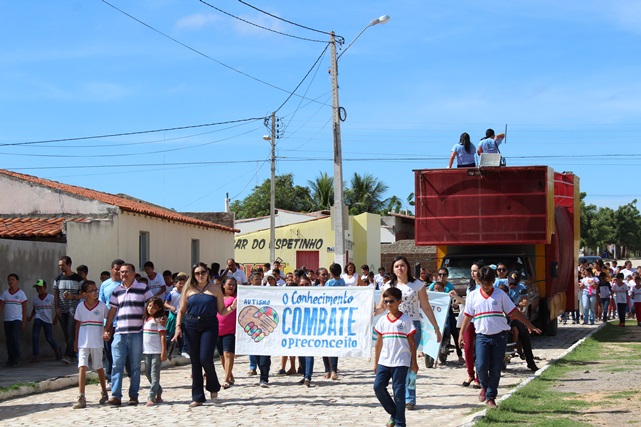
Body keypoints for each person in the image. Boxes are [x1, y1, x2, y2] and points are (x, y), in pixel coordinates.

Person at [458, 266, 540, 408]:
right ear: (479, 282)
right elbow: (467, 316)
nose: (486, 287)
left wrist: (529, 325)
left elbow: (514, 312)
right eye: (483, 284)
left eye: (489, 284)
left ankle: (491, 396)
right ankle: (484, 386)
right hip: (482, 336)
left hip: (499, 336)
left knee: (495, 369)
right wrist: (461, 334)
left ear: (493, 281)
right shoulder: (473, 296)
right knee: (482, 366)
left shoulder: (500, 295)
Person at [375, 256, 442, 410]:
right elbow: (382, 307)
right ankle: (399, 394)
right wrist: (373, 311)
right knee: (396, 362)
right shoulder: (387, 286)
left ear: (408, 267)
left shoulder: (417, 285)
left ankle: (410, 398)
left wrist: (435, 327)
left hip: (412, 326)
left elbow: (425, 307)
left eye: (402, 265)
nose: (400, 268)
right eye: (397, 266)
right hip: (393, 328)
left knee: (410, 363)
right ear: (393, 269)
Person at [173, 262, 237, 407]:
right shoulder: (188, 290)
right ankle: (197, 396)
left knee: (205, 358)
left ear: (207, 273)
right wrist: (178, 327)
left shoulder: (215, 289)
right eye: (197, 273)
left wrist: (232, 307)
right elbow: (182, 310)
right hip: (191, 325)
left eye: (203, 272)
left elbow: (221, 310)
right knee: (195, 362)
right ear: (193, 275)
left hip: (209, 325)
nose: (200, 275)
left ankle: (213, 386)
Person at [103, 263, 155, 406]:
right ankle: (116, 395)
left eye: (126, 272)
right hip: (119, 332)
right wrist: (107, 328)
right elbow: (112, 311)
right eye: (121, 272)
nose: (123, 274)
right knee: (116, 365)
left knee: (135, 366)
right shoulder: (116, 290)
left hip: (137, 332)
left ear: (133, 273)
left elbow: (152, 304)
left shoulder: (143, 288)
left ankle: (133, 395)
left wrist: (146, 318)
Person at [373, 286, 418, 427]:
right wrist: (376, 362)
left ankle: (400, 422)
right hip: (384, 361)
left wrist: (414, 363)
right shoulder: (382, 321)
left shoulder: (405, 320)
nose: (388, 304)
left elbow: (412, 343)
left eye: (391, 301)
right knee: (378, 387)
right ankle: (394, 412)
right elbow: (378, 343)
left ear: (399, 301)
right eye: (385, 301)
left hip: (401, 362)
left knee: (399, 393)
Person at [73, 281, 109, 409]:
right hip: (83, 341)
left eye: (96, 290)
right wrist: (76, 342)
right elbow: (77, 325)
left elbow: (109, 319)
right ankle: (81, 396)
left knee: (98, 366)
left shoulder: (102, 306)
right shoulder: (80, 307)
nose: (95, 293)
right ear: (84, 294)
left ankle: (104, 392)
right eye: (91, 291)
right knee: (82, 366)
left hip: (97, 341)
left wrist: (106, 331)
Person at [98, 258, 124, 387]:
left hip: (123, 323)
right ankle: (110, 378)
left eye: (121, 270)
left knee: (122, 351)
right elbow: (101, 302)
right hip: (108, 322)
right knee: (108, 351)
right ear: (111, 270)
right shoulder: (105, 285)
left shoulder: (127, 285)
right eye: (117, 270)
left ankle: (124, 374)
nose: (119, 272)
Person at [53, 256, 84, 364]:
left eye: (63, 265)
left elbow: (83, 294)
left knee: (71, 332)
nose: (61, 267)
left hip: (73, 309)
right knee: (66, 333)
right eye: (60, 265)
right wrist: (56, 307)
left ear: (69, 265)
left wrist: (73, 297)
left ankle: (67, 355)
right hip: (62, 309)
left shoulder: (78, 279)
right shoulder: (58, 279)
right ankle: (72, 354)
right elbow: (56, 293)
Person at [28, 279, 61, 362]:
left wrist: (56, 318)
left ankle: (57, 349)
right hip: (38, 318)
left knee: (49, 338)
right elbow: (34, 309)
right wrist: (31, 317)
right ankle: (35, 355)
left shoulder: (51, 297)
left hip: (47, 320)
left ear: (45, 287)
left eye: (40, 288)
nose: (39, 290)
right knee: (35, 336)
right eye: (37, 288)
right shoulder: (35, 298)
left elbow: (57, 308)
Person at [142, 297, 167, 406]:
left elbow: (162, 336)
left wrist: (163, 351)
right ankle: (159, 390)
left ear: (159, 308)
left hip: (156, 351)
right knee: (148, 373)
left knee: (154, 374)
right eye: (150, 306)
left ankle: (151, 396)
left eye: (154, 307)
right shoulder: (145, 319)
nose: (151, 309)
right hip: (146, 351)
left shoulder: (158, 320)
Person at [323, 263, 345, 379]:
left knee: (326, 345)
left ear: (330, 273)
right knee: (333, 344)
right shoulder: (343, 283)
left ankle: (328, 370)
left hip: (328, 315)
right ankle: (334, 370)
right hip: (337, 315)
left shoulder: (329, 283)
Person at [462, 263, 482, 388]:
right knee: (468, 348)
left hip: (481, 321)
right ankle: (470, 373)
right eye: (471, 271)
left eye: (475, 271)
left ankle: (479, 377)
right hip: (469, 320)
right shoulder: (470, 287)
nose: (473, 273)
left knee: (479, 350)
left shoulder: (485, 286)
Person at [0, 273, 27, 367]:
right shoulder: (5, 294)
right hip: (7, 320)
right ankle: (10, 359)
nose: (10, 281)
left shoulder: (21, 294)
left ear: (17, 281)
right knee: (9, 339)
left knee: (14, 337)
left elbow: (24, 308)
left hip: (17, 319)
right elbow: (1, 306)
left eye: (13, 279)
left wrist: (23, 322)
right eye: (9, 280)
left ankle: (16, 358)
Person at [217, 277, 238, 389]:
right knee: (222, 356)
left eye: (233, 285)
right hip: (217, 329)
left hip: (230, 330)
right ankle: (230, 376)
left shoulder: (236, 298)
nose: (231, 287)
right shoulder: (218, 297)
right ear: (223, 285)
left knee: (228, 354)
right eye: (229, 284)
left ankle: (225, 380)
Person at [165, 272, 187, 358]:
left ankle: (182, 350)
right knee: (169, 334)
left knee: (182, 334)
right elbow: (165, 303)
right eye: (179, 283)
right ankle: (167, 350)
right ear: (175, 284)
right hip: (173, 316)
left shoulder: (186, 293)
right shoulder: (172, 293)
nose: (181, 285)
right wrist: (171, 307)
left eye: (183, 284)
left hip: (183, 316)